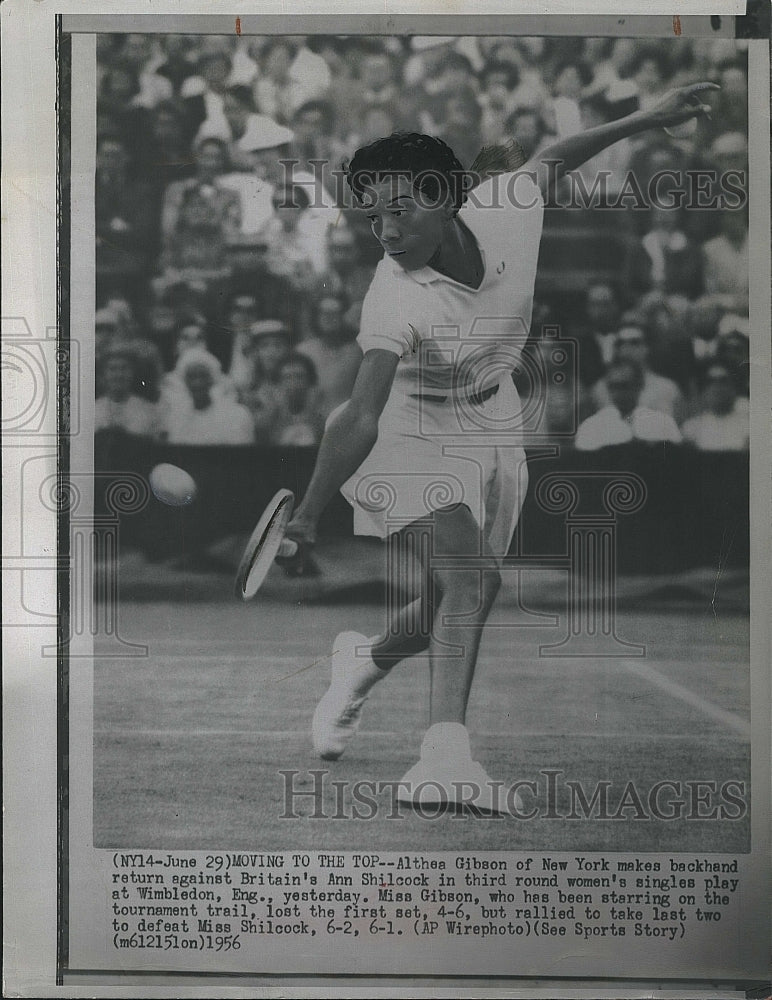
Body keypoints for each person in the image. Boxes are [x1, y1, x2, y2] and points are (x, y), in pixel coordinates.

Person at [282, 83, 717, 811]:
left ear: (448, 199)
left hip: (493, 421)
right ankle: (443, 761)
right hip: (409, 431)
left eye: (401, 209)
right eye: (373, 216)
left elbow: (554, 156)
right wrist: (307, 514)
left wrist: (649, 118)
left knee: (454, 596)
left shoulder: (507, 207)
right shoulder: (394, 295)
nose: (385, 231)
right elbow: (357, 415)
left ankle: (362, 662)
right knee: (476, 582)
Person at [575, 360, 682, 451]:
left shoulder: (663, 423)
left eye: (624, 386)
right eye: (613, 387)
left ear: (639, 385)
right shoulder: (592, 426)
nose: (618, 394)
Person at [681, 362, 749, 451]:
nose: (717, 387)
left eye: (723, 381)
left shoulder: (748, 426)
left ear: (733, 388)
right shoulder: (691, 429)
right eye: (711, 382)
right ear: (704, 390)